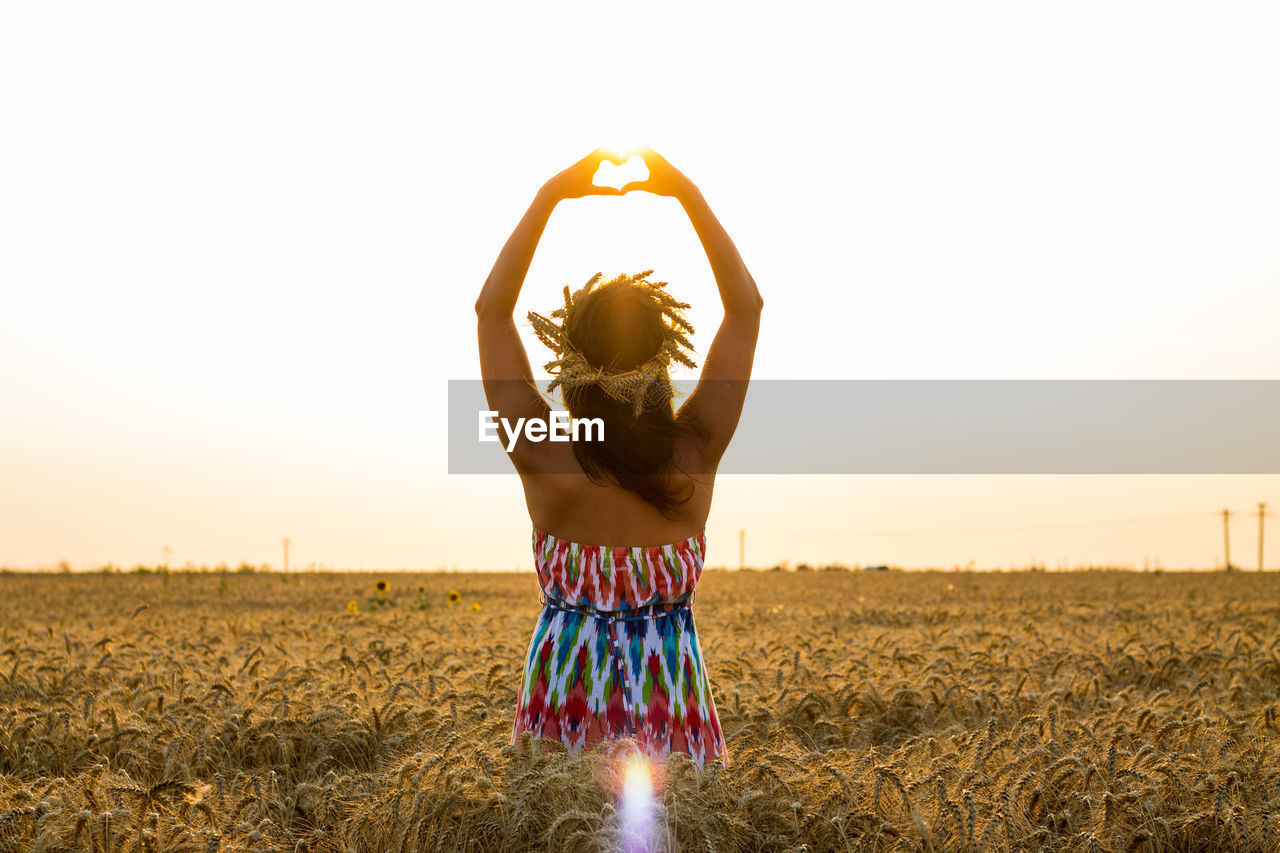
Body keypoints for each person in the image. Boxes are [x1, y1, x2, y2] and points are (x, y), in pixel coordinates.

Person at [475, 148, 762, 768]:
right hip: (673, 702)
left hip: (562, 702)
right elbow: (746, 310)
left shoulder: (544, 456)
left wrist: (550, 195)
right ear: (664, 358)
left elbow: (492, 313)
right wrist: (686, 192)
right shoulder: (696, 452)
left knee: (549, 830)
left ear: (566, 359)